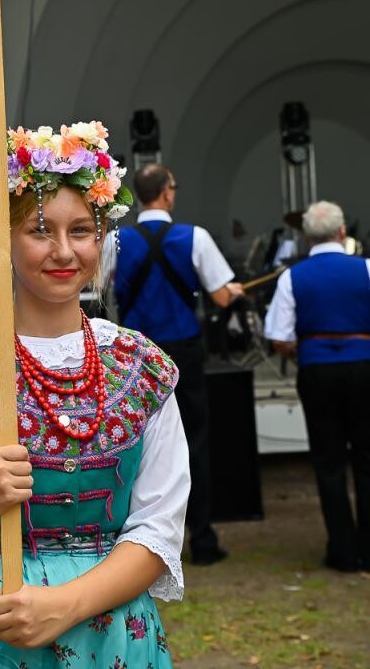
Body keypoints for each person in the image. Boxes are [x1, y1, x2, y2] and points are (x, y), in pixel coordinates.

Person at [0, 122, 190, 668]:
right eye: (39, 230)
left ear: (102, 236)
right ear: (3, 239)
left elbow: (158, 527)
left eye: (81, 229)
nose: (63, 251)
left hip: (113, 631)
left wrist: (63, 605)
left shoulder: (141, 365)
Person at [113, 164, 243, 565]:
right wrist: (233, 290)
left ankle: (134, 545)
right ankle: (202, 541)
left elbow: (102, 290)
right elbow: (222, 298)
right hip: (183, 349)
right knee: (195, 441)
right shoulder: (196, 237)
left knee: (133, 444)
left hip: (135, 354)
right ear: (167, 194)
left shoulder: (117, 239)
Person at [264, 200, 370, 572]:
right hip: (364, 366)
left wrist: (300, 350)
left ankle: (342, 551)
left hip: (317, 369)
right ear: (342, 232)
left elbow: (278, 336)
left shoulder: (293, 276)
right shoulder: (367, 269)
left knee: (329, 462)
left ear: (307, 237)